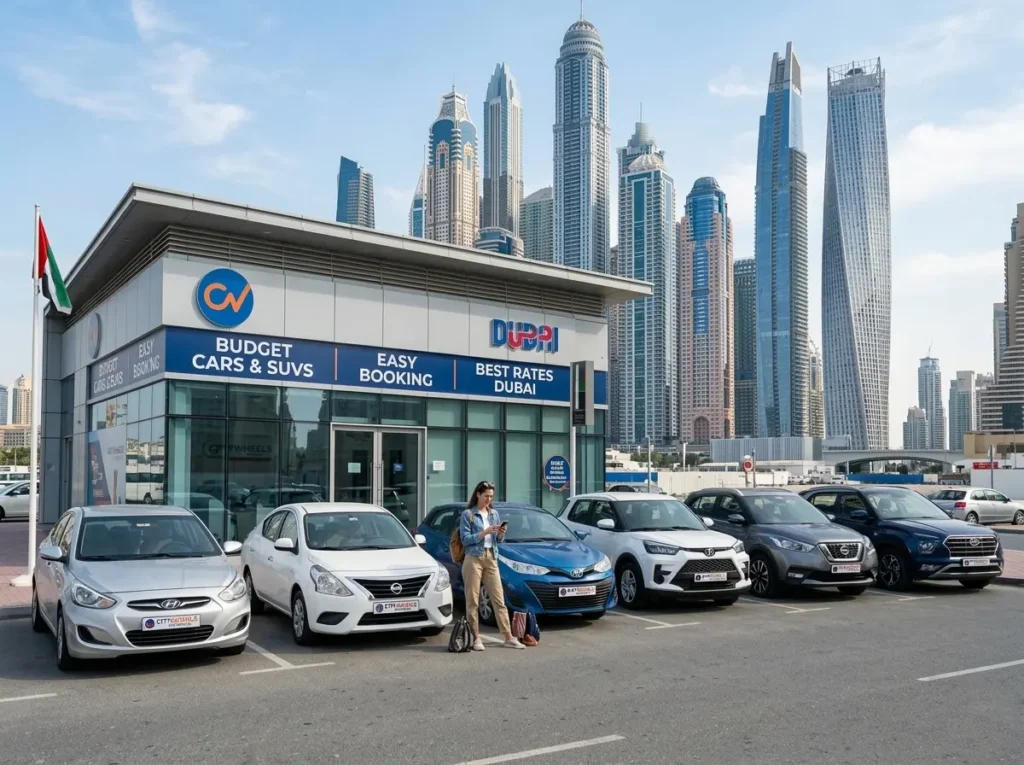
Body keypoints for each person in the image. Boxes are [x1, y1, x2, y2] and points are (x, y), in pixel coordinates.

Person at [459, 481, 525, 651]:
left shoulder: (494, 514)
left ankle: (508, 636)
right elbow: (465, 539)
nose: (489, 499)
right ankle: (475, 638)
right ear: (478, 494)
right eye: (486, 495)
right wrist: (484, 532)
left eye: (491, 496)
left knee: (498, 599)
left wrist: (501, 534)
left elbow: (497, 541)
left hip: (491, 557)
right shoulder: (468, 514)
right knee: (473, 600)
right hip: (473, 558)